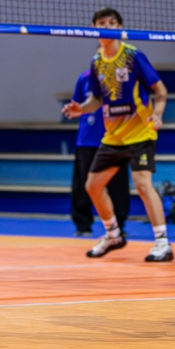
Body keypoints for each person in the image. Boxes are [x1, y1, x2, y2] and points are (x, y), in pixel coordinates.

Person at [63, 8, 172, 261]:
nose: (107, 26)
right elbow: (96, 99)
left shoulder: (133, 56)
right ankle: (113, 235)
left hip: (140, 133)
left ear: (120, 28)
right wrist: (81, 108)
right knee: (92, 186)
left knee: (143, 184)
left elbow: (161, 90)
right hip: (113, 137)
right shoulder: (97, 62)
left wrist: (158, 114)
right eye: (102, 23)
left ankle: (162, 242)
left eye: (112, 23)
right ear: (94, 28)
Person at [66, 66, 130, 237]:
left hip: (116, 138)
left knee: (118, 184)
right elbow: (79, 104)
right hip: (88, 139)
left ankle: (118, 225)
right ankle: (82, 224)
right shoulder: (85, 77)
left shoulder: (122, 77)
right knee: (83, 184)